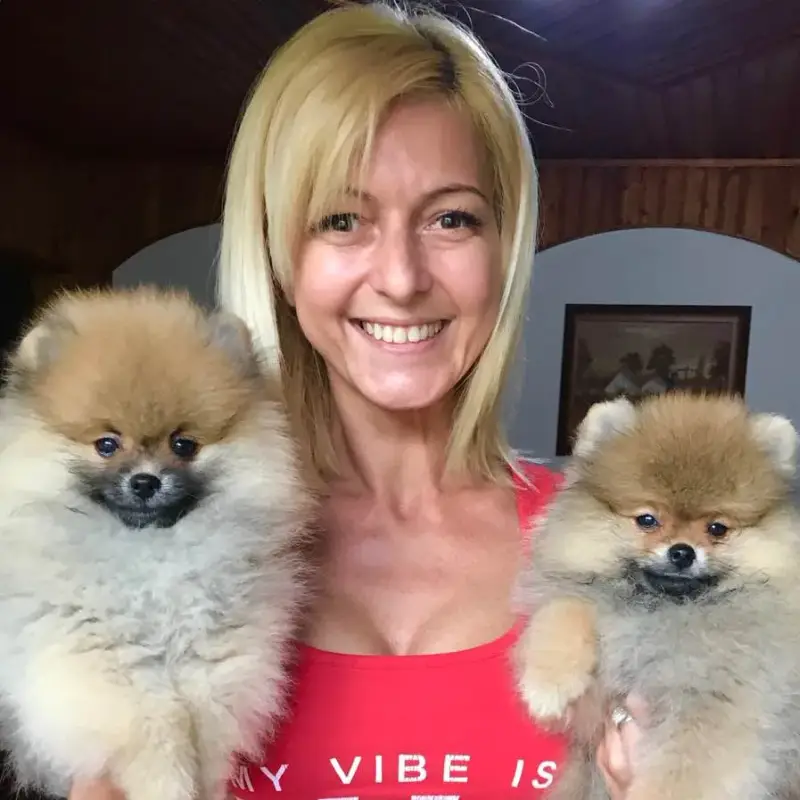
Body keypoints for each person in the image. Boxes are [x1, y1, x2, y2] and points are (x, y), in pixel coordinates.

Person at [70, 2, 643, 799]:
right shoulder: (153, 544)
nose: (401, 279)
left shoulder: (624, 548)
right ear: (279, 254)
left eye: (451, 218)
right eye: (342, 220)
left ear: (502, 250)